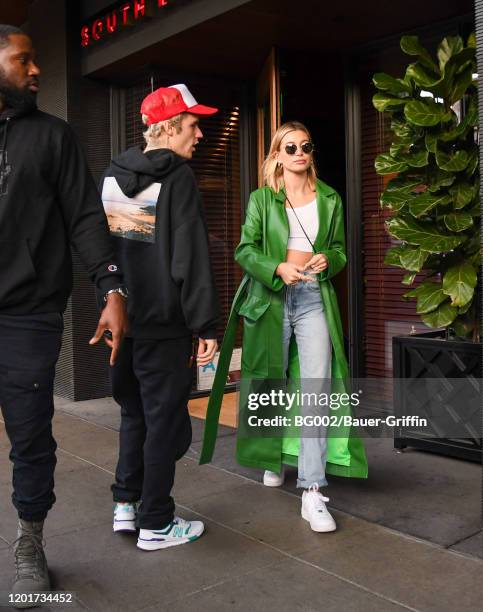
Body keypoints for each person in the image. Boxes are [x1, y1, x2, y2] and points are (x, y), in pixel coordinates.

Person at [0, 25, 128, 601]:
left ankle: (30, 537)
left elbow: (83, 217)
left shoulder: (54, 137)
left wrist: (111, 290)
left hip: (27, 313)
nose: (36, 71)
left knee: (30, 434)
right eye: (24, 60)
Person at [200, 121, 368, 532]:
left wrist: (330, 258)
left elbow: (341, 250)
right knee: (269, 382)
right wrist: (276, 266)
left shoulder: (329, 197)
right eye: (289, 147)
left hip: (314, 297)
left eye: (305, 146)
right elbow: (245, 249)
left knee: (316, 385)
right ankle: (272, 458)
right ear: (276, 154)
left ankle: (312, 490)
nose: (299, 152)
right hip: (270, 298)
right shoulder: (262, 199)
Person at [101, 84, 220, 551]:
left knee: (135, 414)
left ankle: (126, 506)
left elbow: (113, 251)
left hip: (124, 321)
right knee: (163, 419)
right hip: (165, 325)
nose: (200, 134)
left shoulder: (114, 176)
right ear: (169, 127)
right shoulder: (178, 179)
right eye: (193, 125)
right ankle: (157, 522)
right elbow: (187, 259)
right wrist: (204, 324)